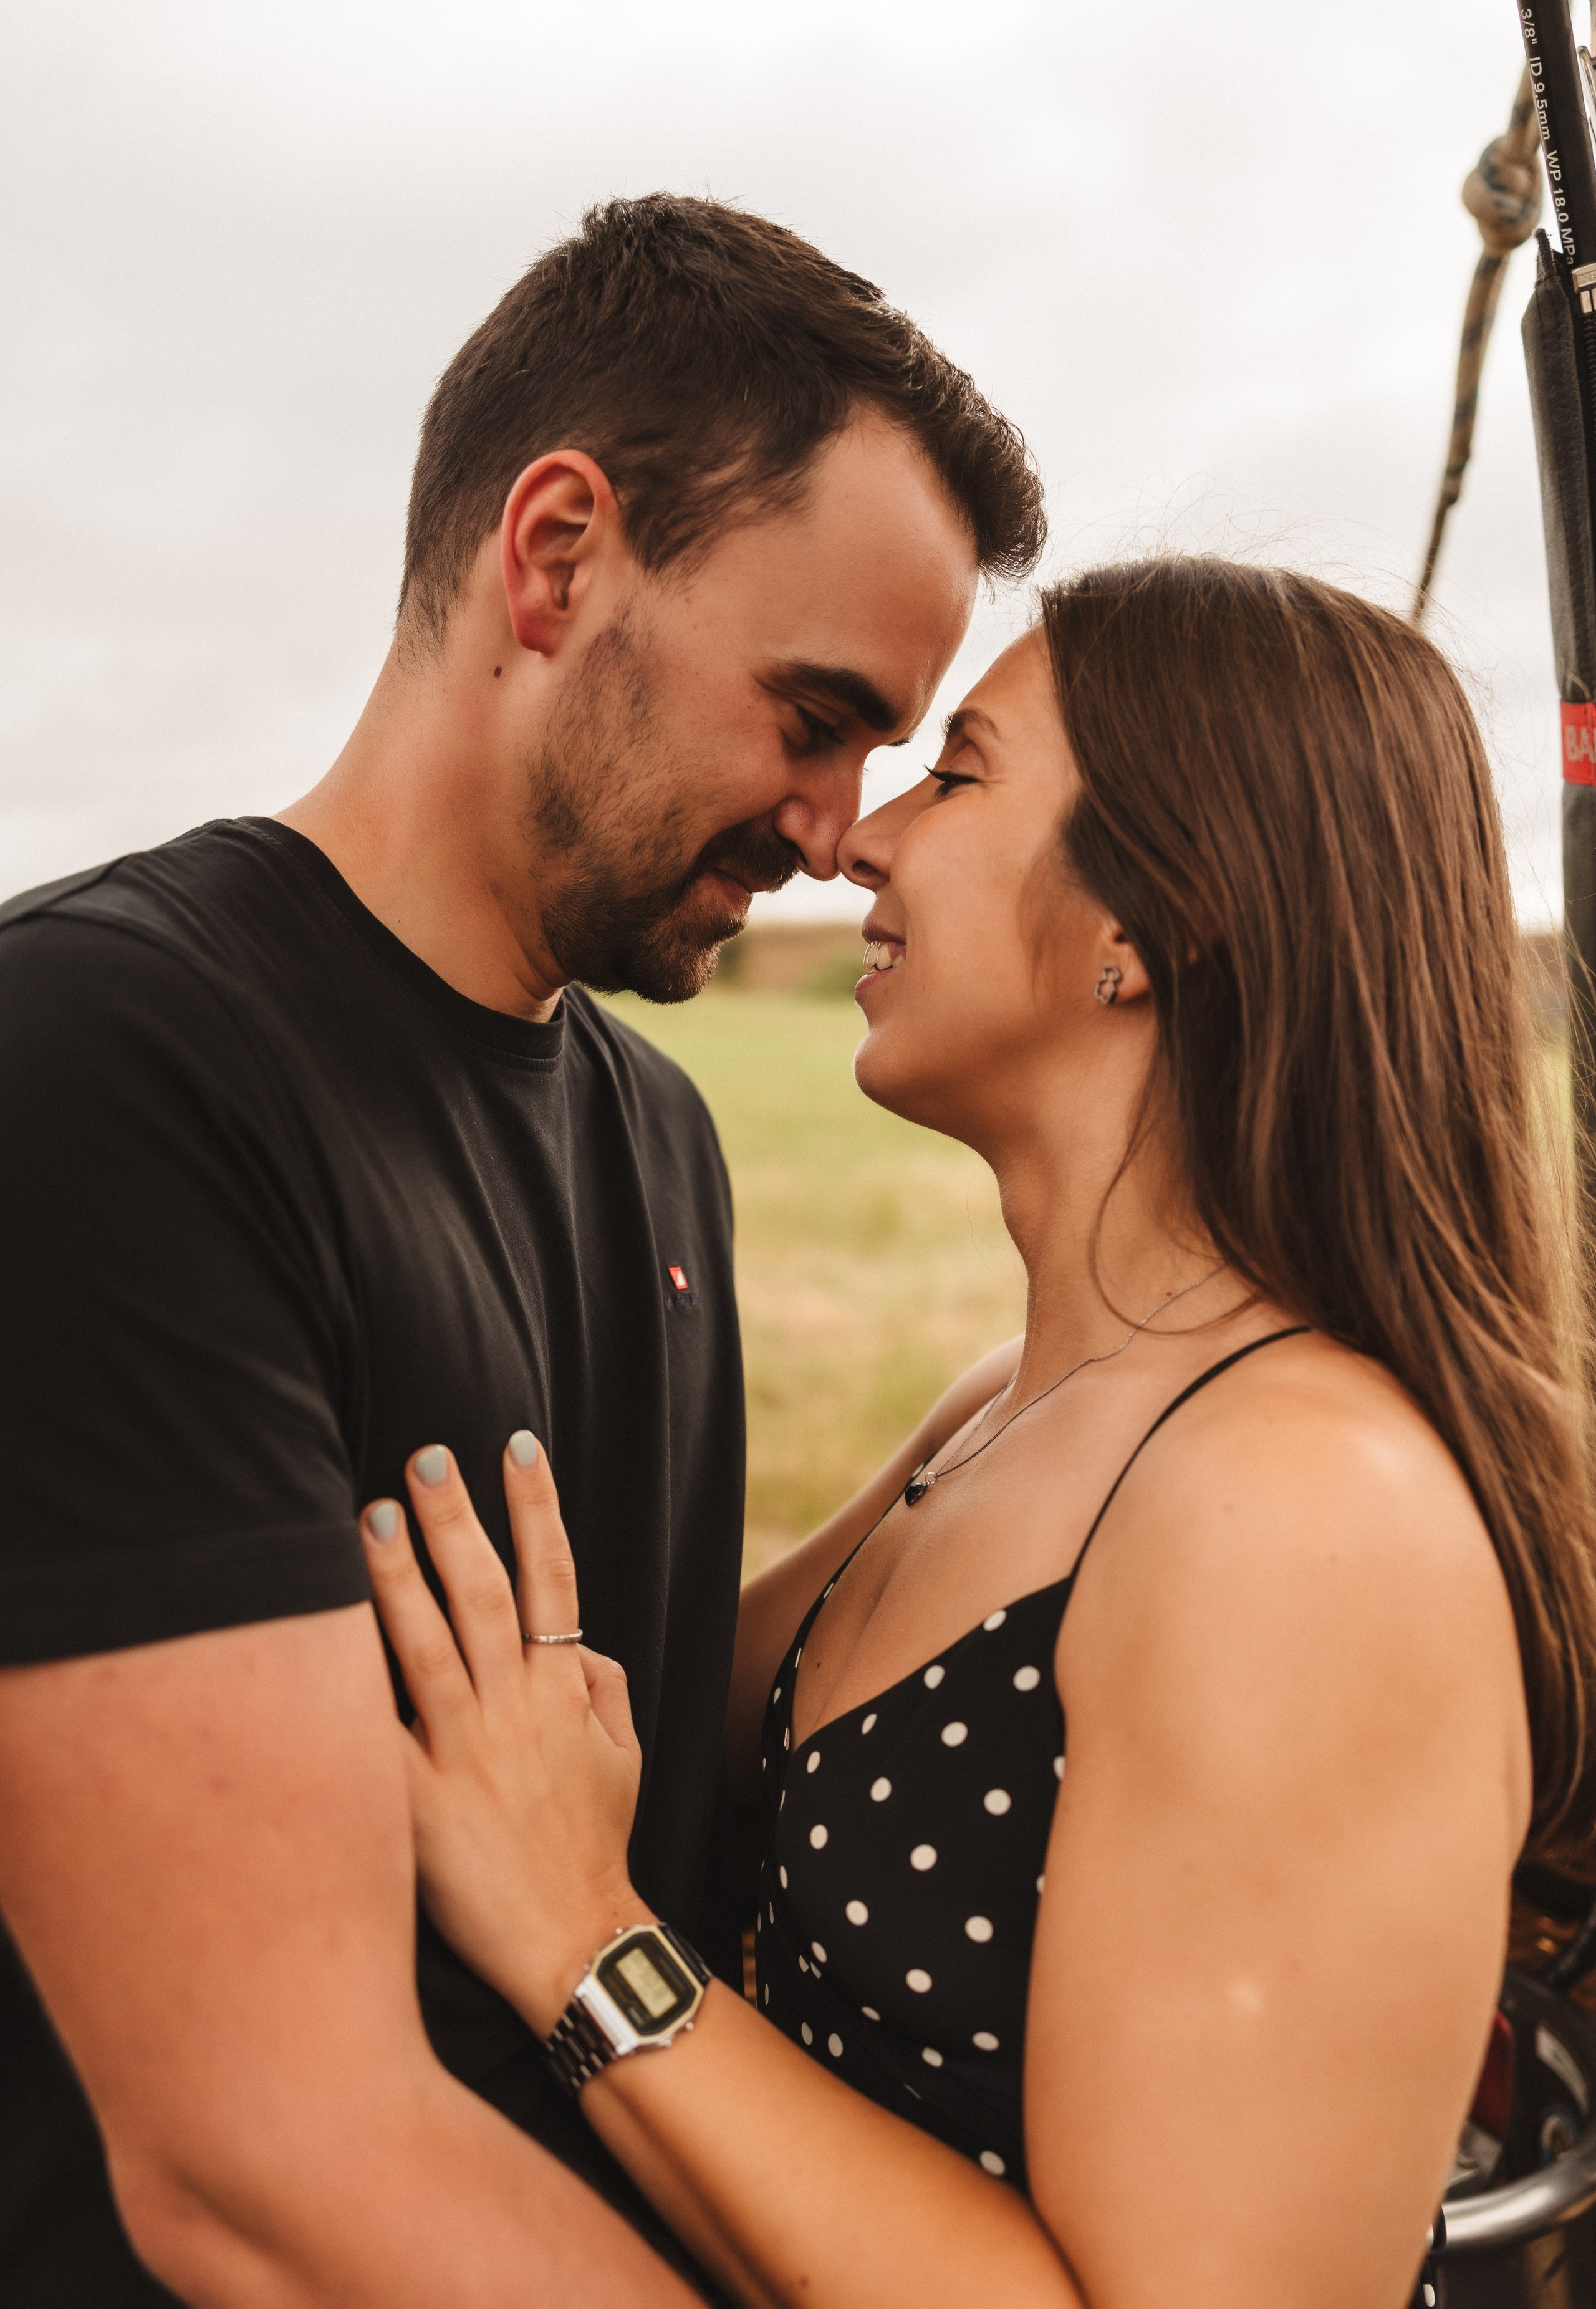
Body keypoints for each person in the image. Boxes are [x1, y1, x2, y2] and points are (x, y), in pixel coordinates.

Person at [0, 194, 1045, 2304]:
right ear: (555, 555)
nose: (842, 828)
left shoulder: (652, 1130)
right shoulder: (107, 1066)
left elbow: (616, 1735)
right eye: (814, 709)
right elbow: (256, 2162)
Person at [358, 556, 1596, 2309]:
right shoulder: (1003, 1412)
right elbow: (608, 1733)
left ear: (1152, 927)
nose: (859, 841)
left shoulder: (1304, 1509)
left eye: (959, 775)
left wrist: (586, 1949)